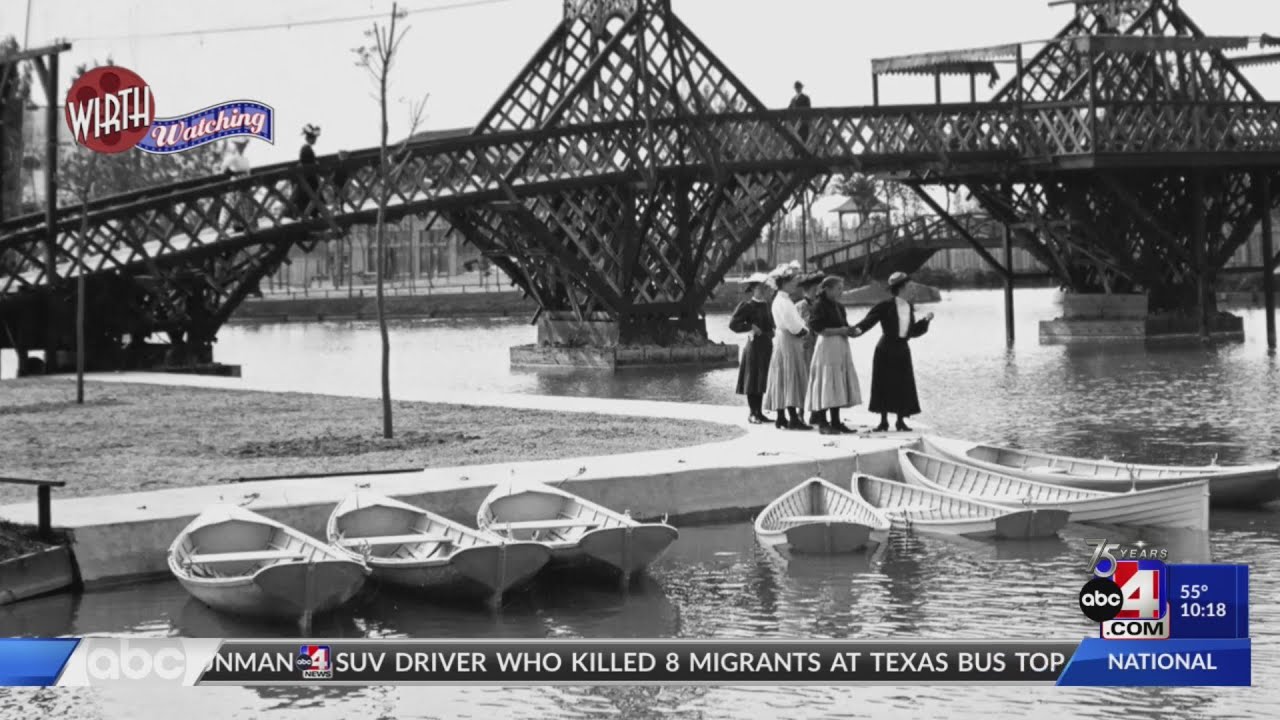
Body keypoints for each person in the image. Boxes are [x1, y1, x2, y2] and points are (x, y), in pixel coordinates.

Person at [851, 271, 935, 432]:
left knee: (903, 384)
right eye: (910, 287)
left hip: (903, 348)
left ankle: (900, 421)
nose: (913, 290)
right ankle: (883, 421)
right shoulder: (885, 305)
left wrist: (925, 321)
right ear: (901, 288)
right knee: (883, 383)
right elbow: (869, 321)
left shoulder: (909, 307)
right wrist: (856, 330)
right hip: (886, 349)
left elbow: (912, 332)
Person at [806, 275, 862, 435]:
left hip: (840, 347)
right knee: (827, 382)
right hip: (827, 347)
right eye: (838, 289)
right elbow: (818, 328)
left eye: (842, 289)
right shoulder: (818, 306)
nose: (841, 292)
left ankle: (836, 422)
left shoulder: (839, 306)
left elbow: (843, 325)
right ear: (827, 289)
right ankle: (823, 423)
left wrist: (852, 331)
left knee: (837, 383)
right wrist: (842, 331)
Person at [763, 262, 811, 431]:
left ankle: (781, 417)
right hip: (789, 340)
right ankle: (792, 418)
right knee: (791, 376)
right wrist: (804, 330)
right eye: (792, 282)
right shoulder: (783, 301)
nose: (795, 285)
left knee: (782, 377)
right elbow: (794, 326)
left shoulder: (781, 300)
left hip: (783, 339)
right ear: (784, 283)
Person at [730, 273, 775, 424]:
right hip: (754, 347)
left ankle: (759, 412)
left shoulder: (766, 305)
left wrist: (771, 332)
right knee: (752, 380)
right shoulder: (747, 306)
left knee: (761, 379)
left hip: (766, 346)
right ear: (754, 289)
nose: (763, 290)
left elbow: (771, 326)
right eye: (761, 288)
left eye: (764, 287)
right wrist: (750, 327)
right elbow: (733, 325)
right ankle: (752, 413)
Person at [794, 271, 826, 427]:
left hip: (819, 345)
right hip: (806, 347)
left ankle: (816, 413)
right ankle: (800, 413)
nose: (817, 291)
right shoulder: (800, 306)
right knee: (804, 379)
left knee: (819, 379)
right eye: (815, 288)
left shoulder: (819, 304)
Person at [219, 137, 252, 231]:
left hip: (244, 182)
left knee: (244, 203)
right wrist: (232, 175)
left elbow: (248, 172)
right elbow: (223, 170)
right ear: (236, 146)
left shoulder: (245, 159)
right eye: (240, 145)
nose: (242, 147)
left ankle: (244, 223)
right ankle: (234, 224)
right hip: (236, 183)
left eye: (243, 145)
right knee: (234, 204)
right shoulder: (231, 158)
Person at [292, 124, 322, 219]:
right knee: (310, 197)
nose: (315, 140)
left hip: (307, 177)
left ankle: (311, 214)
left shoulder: (306, 148)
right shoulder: (306, 149)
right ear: (310, 139)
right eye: (314, 138)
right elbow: (308, 163)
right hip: (308, 178)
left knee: (310, 198)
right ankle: (311, 214)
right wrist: (315, 164)